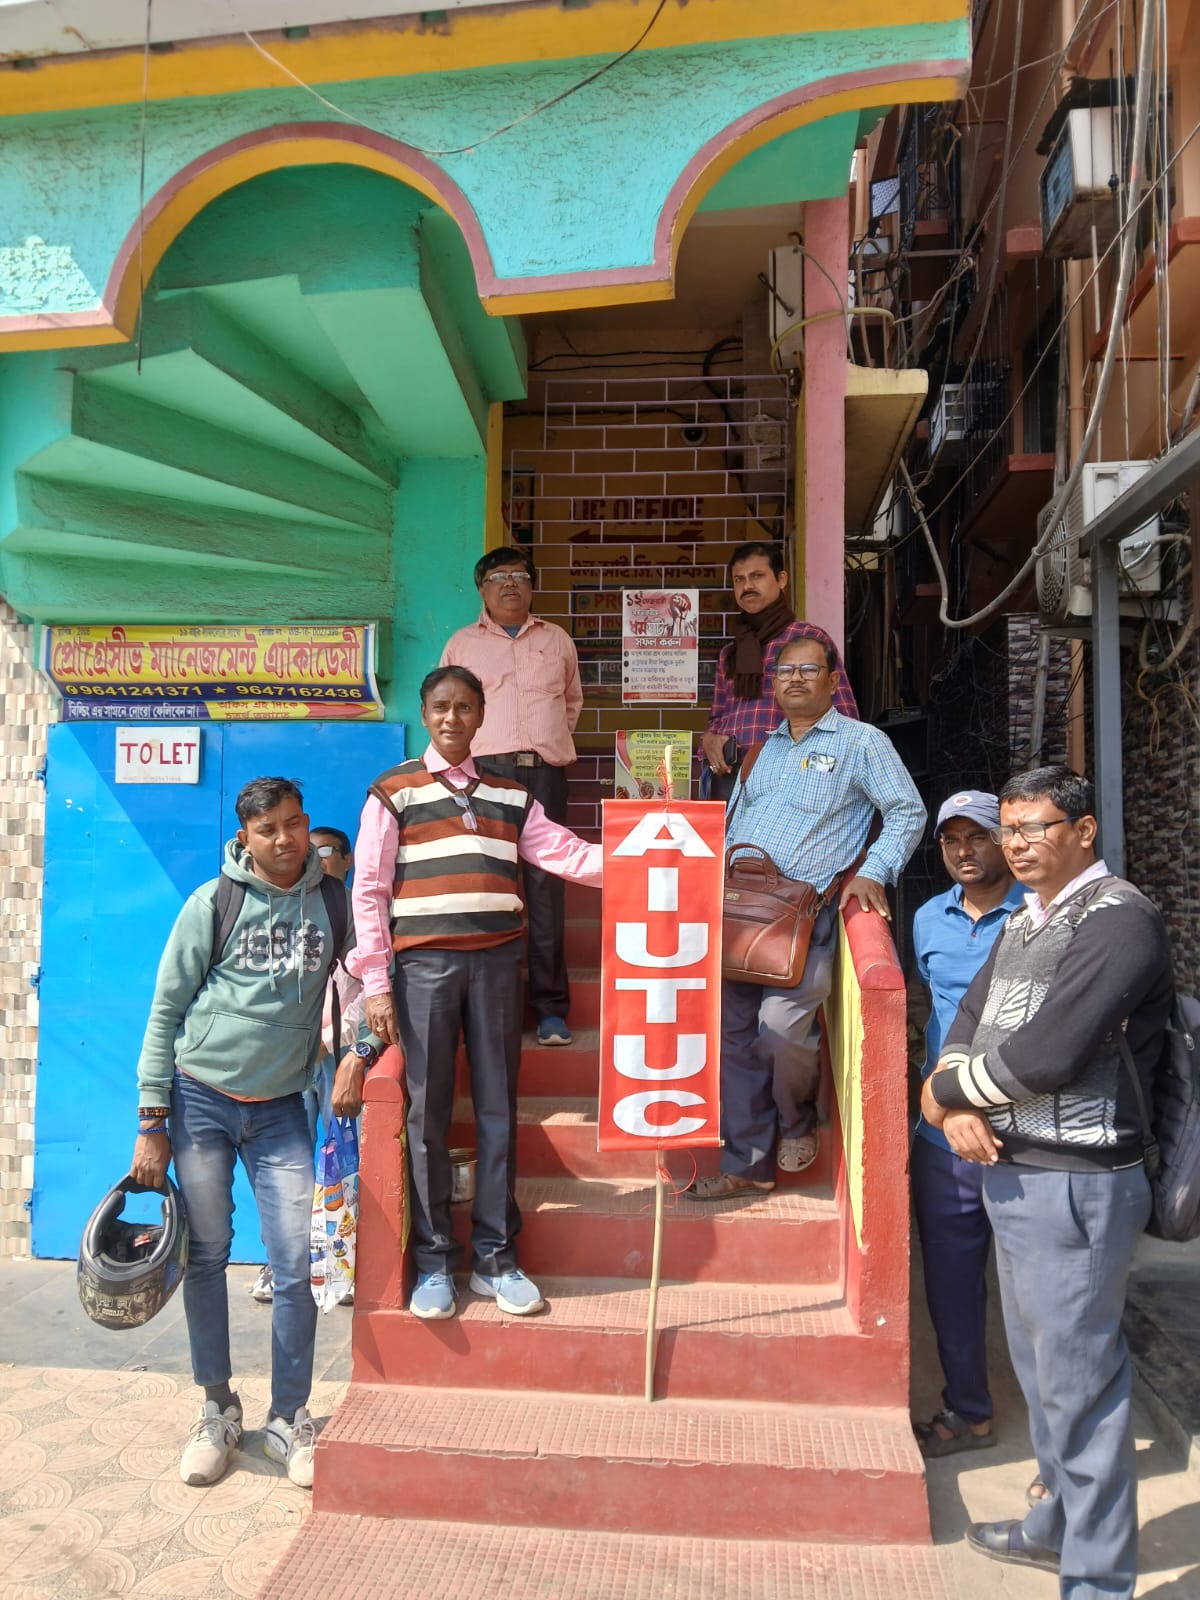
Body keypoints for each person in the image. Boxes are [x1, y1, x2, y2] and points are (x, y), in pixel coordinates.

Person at [921, 766, 1173, 1597]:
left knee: (1081, 1385)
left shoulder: (1119, 918)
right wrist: (953, 1097)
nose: (1018, 843)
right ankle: (1054, 1527)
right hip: (1015, 1169)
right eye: (1012, 829)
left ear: (1084, 830)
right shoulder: (1027, 921)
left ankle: (1096, 1580)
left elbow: (1052, 1052)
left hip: (1078, 1181)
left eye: (1036, 827)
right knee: (1042, 1373)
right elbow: (968, 1021)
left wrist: (946, 1095)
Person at [351, 665, 601, 1321]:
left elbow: (570, 855)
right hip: (424, 969)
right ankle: (435, 1262)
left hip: (496, 964)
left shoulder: (511, 795)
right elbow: (369, 891)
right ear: (425, 713)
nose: (452, 718)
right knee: (427, 1115)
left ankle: (496, 1259)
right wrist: (376, 983)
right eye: (441, 707)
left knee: (497, 1110)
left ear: (481, 716)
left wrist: (654, 856)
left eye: (465, 707)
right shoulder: (393, 792)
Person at [130, 777, 353, 1490]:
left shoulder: (334, 904)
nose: (284, 839)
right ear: (245, 837)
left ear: (306, 824)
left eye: (294, 823)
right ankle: (218, 1409)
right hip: (199, 1102)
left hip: (283, 1108)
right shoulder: (213, 902)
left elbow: (365, 986)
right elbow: (166, 1011)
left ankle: (289, 1417)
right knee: (206, 1256)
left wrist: (358, 1054)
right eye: (268, 829)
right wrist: (152, 1119)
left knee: (294, 1266)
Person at [689, 637, 924, 1199]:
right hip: (738, 912)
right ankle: (745, 1164)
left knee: (779, 1030)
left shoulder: (862, 743)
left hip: (802, 917)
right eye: (785, 671)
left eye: (808, 670)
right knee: (733, 1040)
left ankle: (797, 1121)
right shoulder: (760, 751)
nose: (794, 678)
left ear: (832, 680)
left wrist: (875, 871)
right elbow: (733, 825)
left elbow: (907, 810)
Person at [910, 790, 1024, 1457]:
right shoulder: (927, 918)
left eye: (977, 836)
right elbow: (927, 1008)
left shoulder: (1041, 916)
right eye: (951, 840)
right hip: (944, 1134)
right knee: (951, 1282)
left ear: (1005, 840)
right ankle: (969, 1410)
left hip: (1027, 1133)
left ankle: (1064, 1444)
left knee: (1039, 1288)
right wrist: (945, 1101)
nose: (964, 851)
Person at [441, 545, 583, 1046]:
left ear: (532, 586)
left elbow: (570, 704)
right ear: (482, 589)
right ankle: (488, 1009)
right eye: (499, 577)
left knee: (546, 888)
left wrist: (543, 747)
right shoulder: (462, 644)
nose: (510, 585)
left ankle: (551, 1010)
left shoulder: (557, 639)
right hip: (484, 777)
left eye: (520, 577)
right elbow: (449, 710)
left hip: (544, 775)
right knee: (485, 885)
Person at [251, 824, 366, 1307]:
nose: (316, 857)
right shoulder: (291, 911)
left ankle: (344, 1264)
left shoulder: (362, 913)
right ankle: (281, 1264)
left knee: (348, 1163)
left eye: (326, 850)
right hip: (290, 1061)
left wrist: (332, 1041)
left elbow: (372, 989)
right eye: (311, 851)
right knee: (285, 1165)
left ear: (347, 860)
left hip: (341, 1058)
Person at [700, 541, 859, 802]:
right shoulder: (730, 653)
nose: (747, 586)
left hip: (793, 780)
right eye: (739, 579)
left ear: (782, 579)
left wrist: (820, 774)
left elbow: (845, 716)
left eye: (757, 576)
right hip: (733, 782)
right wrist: (709, 741)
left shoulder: (808, 640)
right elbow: (717, 719)